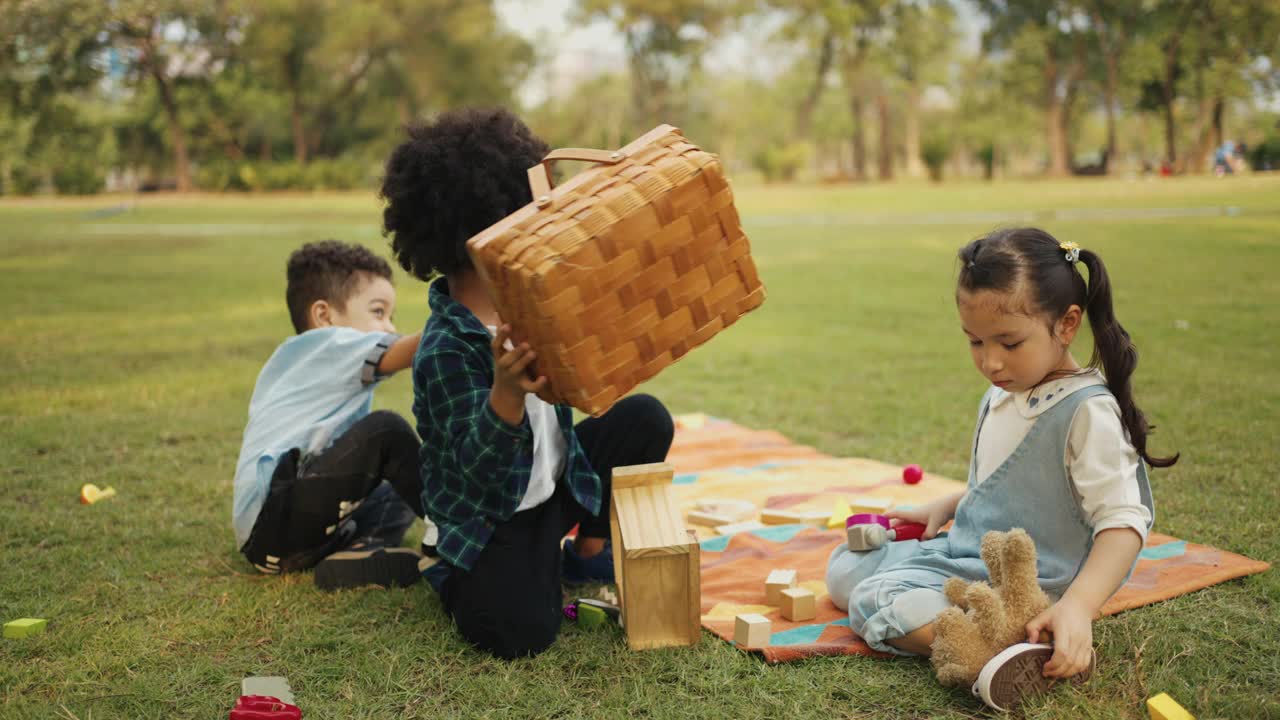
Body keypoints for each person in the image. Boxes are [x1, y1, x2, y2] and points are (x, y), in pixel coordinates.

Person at [826, 227, 1175, 710]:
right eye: (975, 342)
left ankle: (1008, 647)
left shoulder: (1086, 412)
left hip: (1034, 586)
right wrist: (947, 505)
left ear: (1067, 324)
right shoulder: (1005, 390)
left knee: (871, 601)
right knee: (847, 567)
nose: (990, 362)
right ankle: (997, 638)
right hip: (968, 557)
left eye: (1009, 343)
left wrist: (1077, 606)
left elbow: (1123, 522)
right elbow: (1009, 483)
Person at [379, 107, 674, 659]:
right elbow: (478, 478)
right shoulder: (445, 348)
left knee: (646, 419)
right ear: (482, 240)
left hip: (557, 487)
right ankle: (450, 573)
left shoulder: (533, 300)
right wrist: (506, 392)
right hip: (492, 519)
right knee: (519, 633)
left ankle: (585, 550)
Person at [233, 240, 425, 591]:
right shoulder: (329, 344)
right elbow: (412, 349)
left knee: (393, 489)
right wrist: (467, 321)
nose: (390, 328)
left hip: (284, 532)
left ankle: (358, 554)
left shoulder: (299, 359)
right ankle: (463, 527)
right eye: (379, 312)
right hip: (274, 524)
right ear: (324, 316)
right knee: (387, 432)